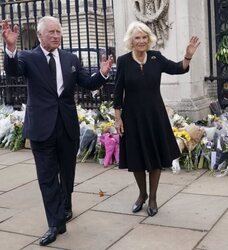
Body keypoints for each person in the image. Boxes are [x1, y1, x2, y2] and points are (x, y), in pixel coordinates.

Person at [2, 16, 113, 246]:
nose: (55, 36)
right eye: (51, 32)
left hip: (66, 125)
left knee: (67, 172)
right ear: (40, 35)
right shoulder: (28, 57)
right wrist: (11, 48)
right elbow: (13, 70)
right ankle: (54, 223)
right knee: (47, 176)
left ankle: (66, 204)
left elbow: (87, 82)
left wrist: (102, 74)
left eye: (58, 32)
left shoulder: (70, 58)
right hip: (41, 127)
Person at [113, 21, 200, 217]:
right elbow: (118, 92)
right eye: (137, 38)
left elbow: (179, 68)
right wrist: (118, 119)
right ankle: (142, 194)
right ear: (131, 40)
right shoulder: (124, 61)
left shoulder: (156, 58)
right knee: (136, 157)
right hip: (132, 116)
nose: (141, 41)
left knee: (154, 157)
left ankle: (152, 197)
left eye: (144, 37)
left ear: (149, 39)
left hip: (154, 115)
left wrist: (188, 55)